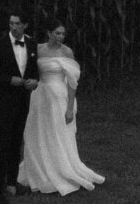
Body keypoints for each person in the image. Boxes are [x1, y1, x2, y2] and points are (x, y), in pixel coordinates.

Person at [18, 24, 104, 195]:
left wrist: (70, 107)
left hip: (59, 97)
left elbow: (72, 82)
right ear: (49, 33)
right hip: (40, 96)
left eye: (63, 34)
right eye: (57, 33)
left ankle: (61, 169)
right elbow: (29, 67)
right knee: (37, 132)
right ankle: (39, 168)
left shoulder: (67, 52)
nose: (61, 36)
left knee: (57, 133)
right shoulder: (38, 49)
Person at [0, 12, 39, 203]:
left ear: (25, 25)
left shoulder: (31, 44)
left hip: (22, 102)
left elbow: (33, 71)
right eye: (11, 23)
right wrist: (9, 80)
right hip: (2, 103)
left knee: (16, 144)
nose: (13, 27)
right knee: (2, 146)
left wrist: (35, 81)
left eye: (17, 24)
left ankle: (12, 183)